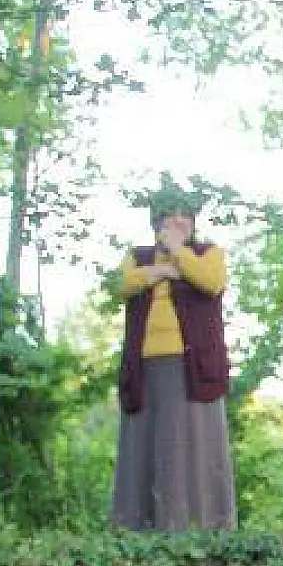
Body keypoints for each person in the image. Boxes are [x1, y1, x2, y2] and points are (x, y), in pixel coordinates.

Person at [109, 192, 238, 531]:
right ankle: (136, 524)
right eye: (170, 214)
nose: (179, 220)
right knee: (143, 442)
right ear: (156, 222)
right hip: (144, 365)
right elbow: (121, 286)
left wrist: (179, 253)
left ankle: (202, 524)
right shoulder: (137, 256)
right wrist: (163, 270)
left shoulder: (207, 252)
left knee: (193, 441)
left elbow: (212, 282)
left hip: (193, 366)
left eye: (185, 214)